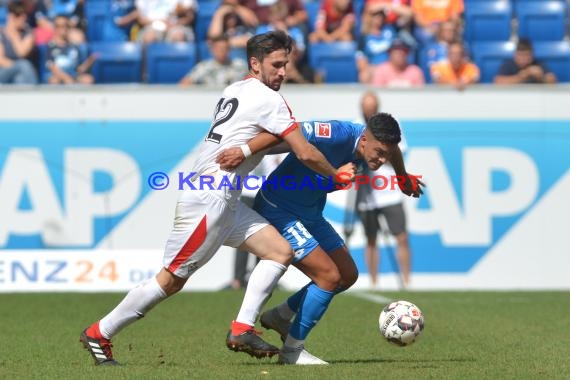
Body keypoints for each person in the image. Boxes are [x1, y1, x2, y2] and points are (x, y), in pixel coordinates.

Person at [79, 30, 355, 366]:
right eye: (277, 65)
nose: (283, 72)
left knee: (279, 251)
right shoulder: (269, 99)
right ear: (255, 64)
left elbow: (273, 138)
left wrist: (246, 148)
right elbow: (305, 152)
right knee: (170, 280)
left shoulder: (236, 89)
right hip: (209, 199)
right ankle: (100, 333)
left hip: (225, 199)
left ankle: (241, 327)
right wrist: (336, 174)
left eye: (286, 64)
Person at [217, 114, 424, 364]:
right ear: (365, 138)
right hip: (278, 208)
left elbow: (394, 153)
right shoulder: (336, 133)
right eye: (379, 152)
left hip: (310, 213)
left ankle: (281, 316)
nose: (381, 160)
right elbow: (289, 132)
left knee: (347, 275)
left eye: (386, 155)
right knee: (328, 276)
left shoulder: (374, 148)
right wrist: (244, 150)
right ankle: (292, 352)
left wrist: (402, 177)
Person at [355, 91, 412, 287]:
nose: (368, 113)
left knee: (401, 236)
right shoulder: (357, 126)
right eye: (366, 110)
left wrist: (377, 155)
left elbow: (398, 152)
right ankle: (373, 281)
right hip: (365, 193)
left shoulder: (389, 128)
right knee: (371, 239)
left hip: (390, 193)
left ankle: (407, 281)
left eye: (372, 110)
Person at [179, 35, 247, 86]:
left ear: (229, 50)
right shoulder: (203, 66)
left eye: (224, 48)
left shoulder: (240, 65)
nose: (222, 51)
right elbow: (185, 83)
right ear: (212, 50)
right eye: (219, 48)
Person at [46, 15, 95, 85]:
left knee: (88, 79)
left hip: (73, 75)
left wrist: (89, 62)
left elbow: (78, 69)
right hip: (58, 75)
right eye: (58, 26)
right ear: (54, 27)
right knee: (54, 81)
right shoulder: (51, 46)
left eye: (65, 25)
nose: (62, 28)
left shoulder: (74, 46)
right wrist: (66, 78)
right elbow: (51, 66)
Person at [0, 0, 38, 85]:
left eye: (25, 15)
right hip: (3, 72)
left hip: (22, 74)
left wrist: (14, 35)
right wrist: (17, 66)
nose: (23, 19)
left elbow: (21, 53)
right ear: (11, 16)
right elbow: (0, 60)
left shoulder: (28, 34)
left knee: (19, 77)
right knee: (24, 65)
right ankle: (34, 94)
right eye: (19, 15)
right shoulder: (1, 34)